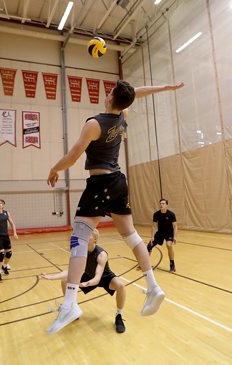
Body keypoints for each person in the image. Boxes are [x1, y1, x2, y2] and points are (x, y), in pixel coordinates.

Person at [46, 80, 184, 334]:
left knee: (79, 238)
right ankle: (153, 287)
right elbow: (134, 94)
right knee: (131, 235)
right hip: (120, 182)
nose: (107, 94)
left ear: (110, 98)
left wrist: (55, 168)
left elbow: (73, 156)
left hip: (100, 183)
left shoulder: (94, 124)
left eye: (109, 92)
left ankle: (69, 304)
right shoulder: (122, 115)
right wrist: (164, 88)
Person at [39, 228, 127, 333]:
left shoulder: (101, 254)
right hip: (88, 275)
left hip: (104, 277)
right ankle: (72, 308)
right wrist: (52, 276)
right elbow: (72, 270)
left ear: (95, 239)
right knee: (65, 281)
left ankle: (119, 315)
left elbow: (98, 277)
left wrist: (88, 283)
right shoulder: (80, 252)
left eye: (88, 236)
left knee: (121, 285)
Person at [148, 198, 178, 272]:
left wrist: (175, 237)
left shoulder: (171, 214)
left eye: (163, 203)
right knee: (149, 246)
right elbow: (154, 226)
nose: (161, 205)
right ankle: (145, 264)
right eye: (160, 203)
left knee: (169, 245)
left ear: (167, 205)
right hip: (160, 233)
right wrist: (152, 236)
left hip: (169, 233)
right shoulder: (156, 214)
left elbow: (175, 226)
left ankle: (172, 264)